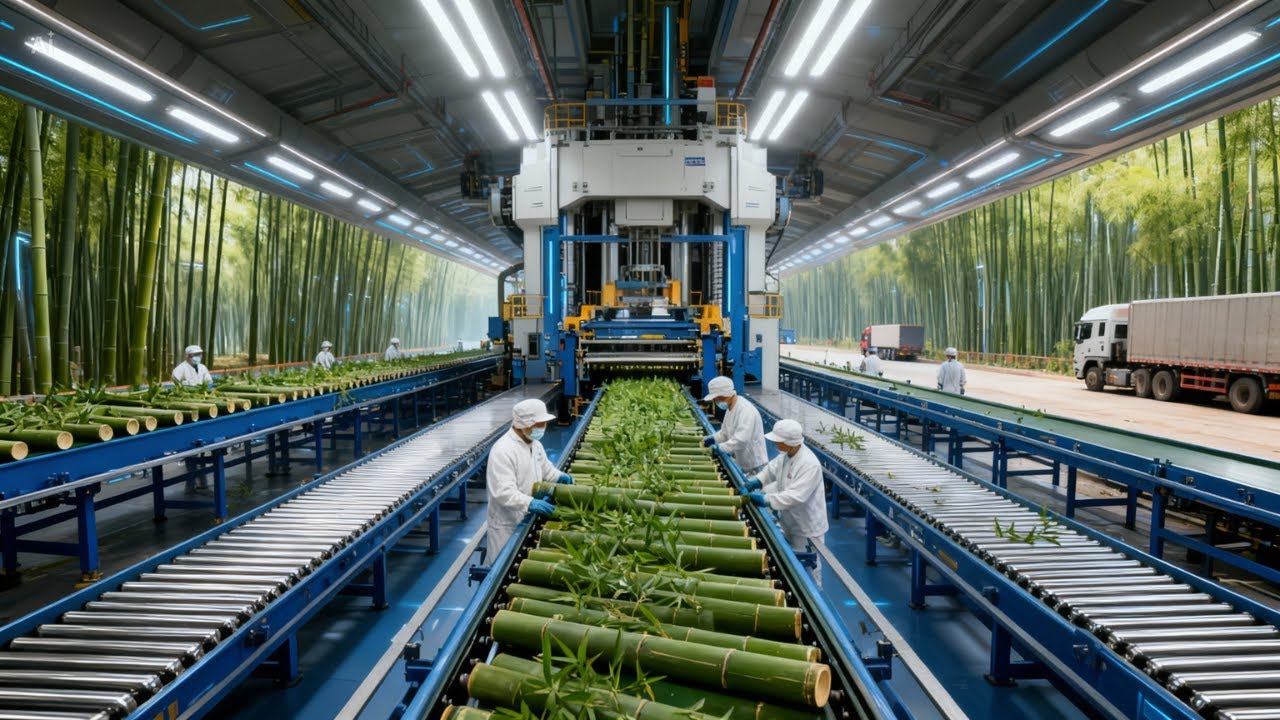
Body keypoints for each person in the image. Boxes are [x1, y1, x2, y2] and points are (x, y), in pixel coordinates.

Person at [742, 418, 828, 587]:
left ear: (790, 442)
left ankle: (814, 595)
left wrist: (766, 499)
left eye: (778, 441)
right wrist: (758, 481)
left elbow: (796, 496)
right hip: (789, 519)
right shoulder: (786, 456)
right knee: (792, 563)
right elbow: (771, 470)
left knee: (809, 571)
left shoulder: (809, 464)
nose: (775, 443)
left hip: (807, 526)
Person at [484, 398, 573, 561]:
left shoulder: (534, 443)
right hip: (508, 524)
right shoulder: (503, 451)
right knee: (503, 563)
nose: (543, 428)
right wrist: (530, 503)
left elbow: (546, 468)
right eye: (539, 424)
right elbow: (503, 493)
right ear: (526, 424)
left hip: (528, 516)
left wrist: (559, 476)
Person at [701, 375, 768, 476]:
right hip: (743, 463)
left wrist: (719, 448)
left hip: (755, 464)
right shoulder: (731, 408)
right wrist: (712, 439)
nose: (716, 401)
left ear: (725, 394)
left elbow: (741, 440)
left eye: (717, 398)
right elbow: (724, 433)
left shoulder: (746, 410)